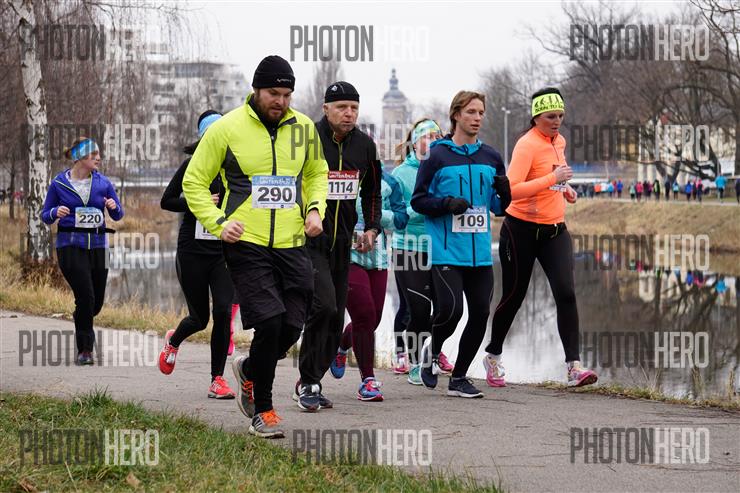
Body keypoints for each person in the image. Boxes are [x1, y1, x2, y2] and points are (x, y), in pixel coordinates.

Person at [182, 55, 328, 438]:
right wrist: (218, 223)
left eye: (287, 94)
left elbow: (316, 172)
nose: (280, 101)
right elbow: (193, 182)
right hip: (245, 240)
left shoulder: (304, 128)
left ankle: (249, 368)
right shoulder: (227, 128)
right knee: (269, 321)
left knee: (292, 326)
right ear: (256, 90)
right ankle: (262, 410)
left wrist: (315, 208)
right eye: (273, 93)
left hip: (292, 240)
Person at [482, 87, 598, 389]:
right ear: (536, 117)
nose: (557, 121)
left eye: (560, 115)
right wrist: (553, 179)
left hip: (554, 231)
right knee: (514, 296)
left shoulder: (560, 141)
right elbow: (512, 190)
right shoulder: (526, 145)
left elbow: (552, 178)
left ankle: (574, 367)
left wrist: (564, 189)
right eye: (550, 116)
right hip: (520, 230)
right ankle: (493, 355)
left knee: (566, 292)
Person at [411, 90, 511, 398]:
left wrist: (506, 193)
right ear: (456, 115)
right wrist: (446, 204)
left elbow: (498, 208)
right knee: (451, 311)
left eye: (481, 112)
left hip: (480, 253)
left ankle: (459, 378)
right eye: (471, 112)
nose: (477, 118)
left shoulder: (491, 157)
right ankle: (432, 351)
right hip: (446, 250)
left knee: (480, 314)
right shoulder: (436, 155)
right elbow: (418, 201)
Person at [296, 81, 383, 412]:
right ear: (326, 109)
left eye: (354, 108)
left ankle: (312, 381)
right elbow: (290, 181)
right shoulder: (309, 139)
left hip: (344, 243)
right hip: (309, 240)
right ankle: (308, 381)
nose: (349, 113)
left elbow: (372, 191)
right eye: (342, 107)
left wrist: (372, 227)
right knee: (324, 306)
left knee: (335, 317)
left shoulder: (365, 146)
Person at [158, 110, 236, 400]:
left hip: (222, 253)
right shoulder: (192, 165)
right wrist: (196, 202)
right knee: (199, 319)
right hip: (192, 251)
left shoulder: (236, 168)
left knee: (224, 312)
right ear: (204, 138)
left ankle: (217, 380)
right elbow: (167, 201)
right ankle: (173, 341)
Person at [41, 137, 124, 365]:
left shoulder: (104, 183)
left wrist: (114, 207)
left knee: (95, 303)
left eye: (98, 154)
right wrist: (55, 212)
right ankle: (85, 350)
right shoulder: (59, 184)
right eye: (93, 154)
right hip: (70, 246)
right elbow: (45, 215)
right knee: (85, 296)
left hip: (98, 246)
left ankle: (82, 316)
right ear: (80, 157)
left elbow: (118, 214)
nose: (99, 158)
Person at [329, 170, 409, 401]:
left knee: (372, 320)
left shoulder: (389, 181)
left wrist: (375, 217)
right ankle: (368, 380)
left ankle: (342, 345)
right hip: (347, 256)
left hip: (377, 258)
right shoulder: (340, 174)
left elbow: (401, 219)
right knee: (364, 314)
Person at [391, 118, 448, 385]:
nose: (433, 140)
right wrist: (423, 205)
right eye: (427, 136)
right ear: (415, 143)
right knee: (418, 309)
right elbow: (394, 215)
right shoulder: (400, 173)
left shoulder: (445, 169)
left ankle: (433, 351)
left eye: (437, 136)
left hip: (440, 247)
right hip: (408, 248)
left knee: (447, 308)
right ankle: (414, 360)